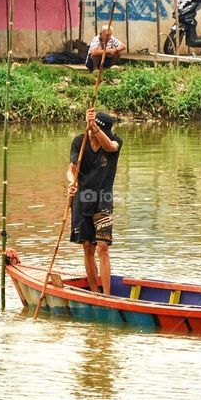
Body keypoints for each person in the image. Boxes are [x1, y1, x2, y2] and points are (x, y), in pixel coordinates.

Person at [66, 108, 123, 295]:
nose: (97, 137)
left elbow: (110, 146)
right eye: (95, 132)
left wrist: (95, 128)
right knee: (88, 248)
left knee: (103, 247)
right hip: (82, 201)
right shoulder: (79, 142)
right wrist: (71, 182)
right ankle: (93, 293)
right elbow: (71, 169)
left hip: (103, 201)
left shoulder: (114, 142)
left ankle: (106, 295)